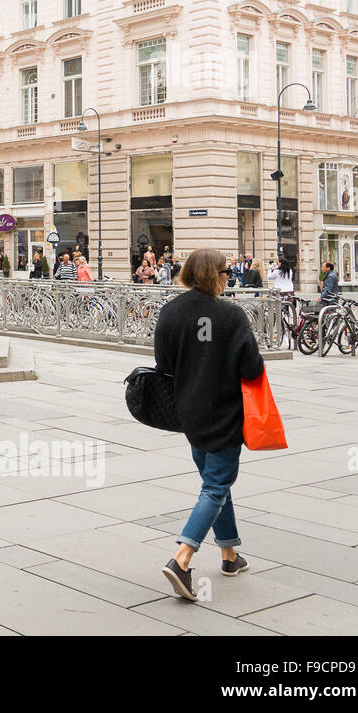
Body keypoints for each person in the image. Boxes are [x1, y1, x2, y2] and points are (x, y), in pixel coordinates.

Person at [155, 248, 264, 602]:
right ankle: (182, 559)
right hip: (225, 413)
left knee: (215, 481)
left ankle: (230, 555)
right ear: (212, 275)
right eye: (225, 272)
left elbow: (163, 364)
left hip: (188, 412)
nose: (228, 277)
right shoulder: (231, 316)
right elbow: (252, 368)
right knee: (216, 486)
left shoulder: (171, 311)